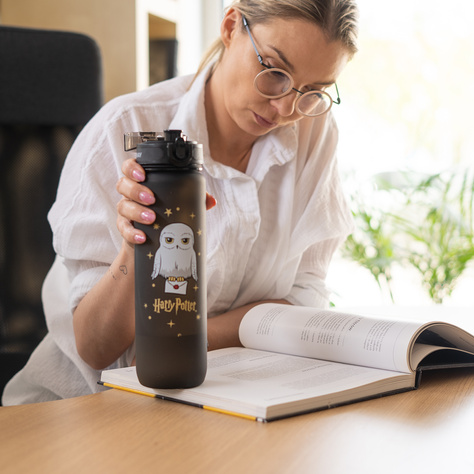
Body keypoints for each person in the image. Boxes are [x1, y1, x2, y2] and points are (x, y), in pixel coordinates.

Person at [2, 0, 359, 405]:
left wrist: (179, 342)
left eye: (314, 91)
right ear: (230, 27)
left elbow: (305, 293)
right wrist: (135, 246)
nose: (285, 108)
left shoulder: (314, 131)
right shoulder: (123, 128)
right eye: (275, 72)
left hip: (225, 399)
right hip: (81, 405)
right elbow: (97, 349)